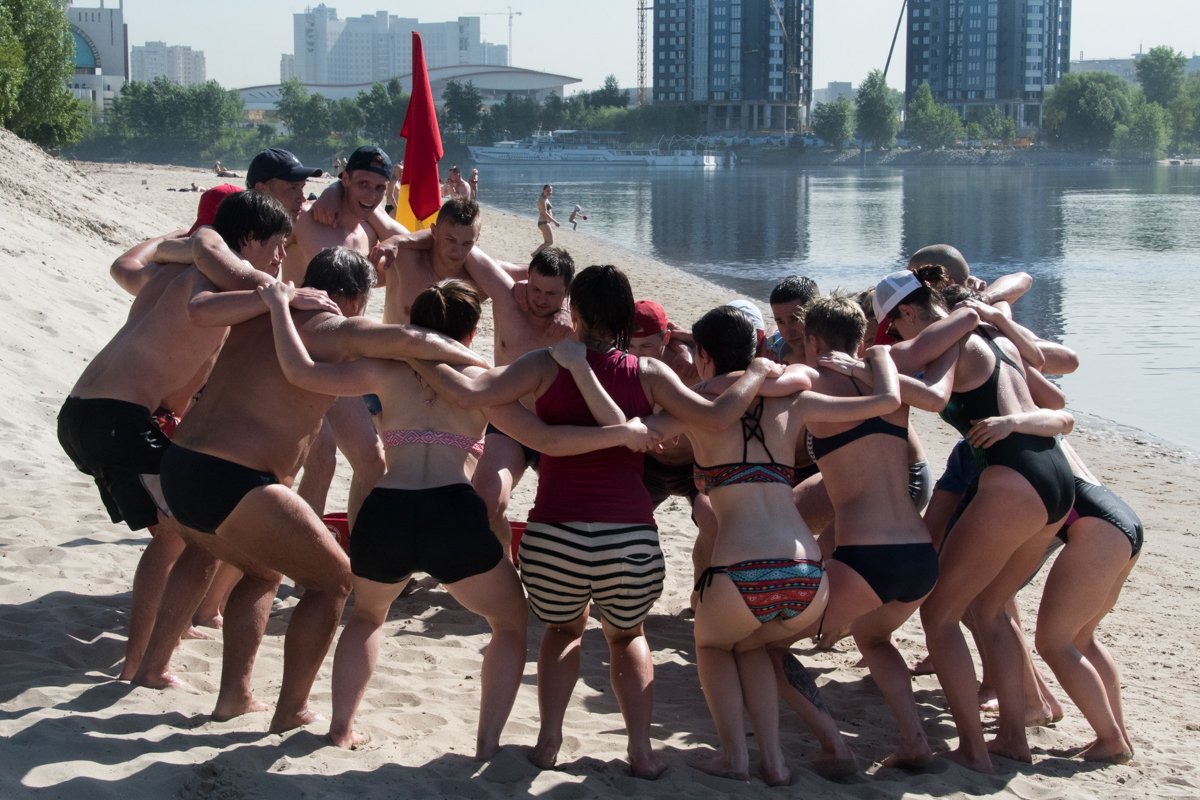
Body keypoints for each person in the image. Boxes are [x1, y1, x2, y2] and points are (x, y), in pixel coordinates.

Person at [407, 264, 780, 779]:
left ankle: (548, 742)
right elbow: (716, 417)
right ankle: (642, 752)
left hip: (553, 535)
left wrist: (412, 347)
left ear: (574, 313)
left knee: (562, 632)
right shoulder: (649, 374)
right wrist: (758, 371)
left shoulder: (542, 364)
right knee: (628, 637)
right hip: (627, 538)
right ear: (625, 317)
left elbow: (473, 393)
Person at [261, 277, 654, 757]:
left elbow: (299, 370)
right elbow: (547, 442)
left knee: (366, 616)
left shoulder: (386, 370)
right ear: (469, 333)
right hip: (452, 510)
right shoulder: (480, 380)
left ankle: (341, 728)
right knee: (510, 622)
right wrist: (620, 435)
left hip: (389, 507)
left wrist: (280, 306)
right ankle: (487, 744)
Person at [131, 248, 486, 732]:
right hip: (234, 479)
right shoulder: (332, 328)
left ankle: (182, 678)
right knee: (334, 580)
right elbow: (409, 338)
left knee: (250, 566)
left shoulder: (259, 313)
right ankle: (292, 709)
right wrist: (478, 361)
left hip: (182, 466)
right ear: (355, 298)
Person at [58, 191, 316, 681]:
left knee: (173, 534)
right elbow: (202, 309)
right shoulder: (210, 280)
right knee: (184, 537)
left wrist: (178, 239)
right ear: (247, 240)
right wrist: (277, 295)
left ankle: (152, 651)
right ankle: (141, 664)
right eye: (278, 245)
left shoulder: (163, 276)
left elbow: (125, 263)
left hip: (82, 414)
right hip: (119, 419)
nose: (283, 257)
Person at [652, 305, 899, 784]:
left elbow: (647, 433)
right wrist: (881, 357)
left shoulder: (696, 402)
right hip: (807, 574)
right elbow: (885, 402)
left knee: (713, 645)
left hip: (738, 572)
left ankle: (734, 756)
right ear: (761, 348)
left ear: (703, 356)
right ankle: (775, 761)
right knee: (754, 647)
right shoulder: (798, 400)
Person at [881, 267, 1074, 772]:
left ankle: (973, 745)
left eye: (894, 328)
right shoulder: (992, 332)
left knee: (938, 614)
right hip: (1056, 476)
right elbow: (1053, 400)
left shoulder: (956, 340)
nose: (899, 338)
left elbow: (930, 390)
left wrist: (872, 371)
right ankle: (1013, 735)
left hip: (1013, 479)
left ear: (906, 312)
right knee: (990, 607)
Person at [791, 295, 939, 768]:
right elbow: (934, 396)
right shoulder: (885, 382)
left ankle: (835, 747)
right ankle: (915, 742)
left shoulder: (812, 382)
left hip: (866, 557)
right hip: (919, 556)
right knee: (874, 639)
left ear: (812, 339)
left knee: (766, 646)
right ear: (860, 338)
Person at [456, 245, 575, 555]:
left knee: (571, 517)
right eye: (535, 288)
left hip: (560, 430)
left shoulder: (578, 323)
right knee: (485, 502)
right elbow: (466, 248)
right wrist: (397, 242)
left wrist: (569, 307)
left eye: (552, 294)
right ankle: (505, 558)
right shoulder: (507, 298)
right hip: (510, 425)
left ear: (567, 293)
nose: (540, 298)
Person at [767, 275, 820, 364]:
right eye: (780, 321)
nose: (788, 332)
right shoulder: (774, 348)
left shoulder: (839, 351)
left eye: (795, 319)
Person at [533, 184, 559, 257]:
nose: (549, 192)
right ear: (543, 190)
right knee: (550, 242)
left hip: (545, 222)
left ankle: (538, 255)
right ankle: (535, 254)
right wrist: (555, 222)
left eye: (550, 190)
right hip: (543, 223)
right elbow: (544, 213)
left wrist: (550, 221)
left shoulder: (545, 198)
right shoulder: (542, 200)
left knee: (547, 242)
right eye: (547, 190)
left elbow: (548, 211)